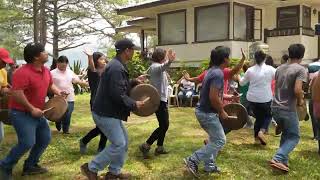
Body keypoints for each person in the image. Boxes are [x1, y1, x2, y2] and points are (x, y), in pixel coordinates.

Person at [80, 39, 147, 180]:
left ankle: (114, 172)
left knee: (123, 143)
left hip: (109, 112)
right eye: (133, 50)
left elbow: (119, 86)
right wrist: (134, 104)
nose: (134, 53)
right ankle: (91, 168)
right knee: (119, 143)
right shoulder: (116, 67)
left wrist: (134, 81)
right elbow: (117, 94)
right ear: (127, 51)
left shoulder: (117, 65)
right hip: (105, 113)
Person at [0, 43, 64, 179]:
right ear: (36, 57)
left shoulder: (45, 70)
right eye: (43, 52)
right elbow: (17, 93)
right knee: (27, 142)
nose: (46, 53)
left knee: (44, 139)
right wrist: (31, 108)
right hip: (21, 113)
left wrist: (58, 92)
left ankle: (30, 165)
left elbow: (50, 84)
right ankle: (5, 165)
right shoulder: (22, 73)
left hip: (38, 112)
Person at [183, 46, 230, 178]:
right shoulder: (218, 73)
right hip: (207, 114)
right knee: (220, 140)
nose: (230, 59)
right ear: (225, 59)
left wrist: (229, 97)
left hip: (203, 111)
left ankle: (209, 165)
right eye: (229, 57)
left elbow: (214, 94)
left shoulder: (211, 71)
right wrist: (221, 111)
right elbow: (213, 97)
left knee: (214, 139)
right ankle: (193, 159)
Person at [270, 44, 307, 172]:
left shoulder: (279, 68)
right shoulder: (301, 69)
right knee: (294, 136)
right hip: (287, 108)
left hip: (275, 107)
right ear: (302, 55)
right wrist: (301, 100)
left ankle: (282, 163)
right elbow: (297, 90)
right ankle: (277, 158)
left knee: (286, 134)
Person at [139, 48, 175, 158]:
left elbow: (160, 70)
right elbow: (162, 67)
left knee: (163, 125)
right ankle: (146, 144)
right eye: (164, 56)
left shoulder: (154, 67)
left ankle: (160, 147)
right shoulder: (156, 67)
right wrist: (169, 61)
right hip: (159, 100)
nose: (165, 57)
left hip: (160, 99)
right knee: (164, 125)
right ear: (160, 57)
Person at [239, 51, 275, 145]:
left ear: (255, 58)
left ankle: (256, 138)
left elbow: (242, 83)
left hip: (252, 98)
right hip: (265, 98)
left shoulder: (250, 70)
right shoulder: (270, 69)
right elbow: (278, 79)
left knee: (259, 117)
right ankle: (261, 131)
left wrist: (238, 77)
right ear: (265, 58)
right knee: (268, 115)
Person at [79, 50, 108, 154]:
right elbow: (91, 67)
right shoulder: (93, 73)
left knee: (105, 126)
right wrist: (90, 57)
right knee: (102, 127)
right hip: (96, 102)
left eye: (104, 58)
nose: (104, 60)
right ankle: (85, 141)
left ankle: (100, 148)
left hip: (107, 103)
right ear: (96, 61)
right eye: (101, 59)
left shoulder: (107, 71)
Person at [51, 55, 88, 134]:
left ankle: (66, 130)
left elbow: (76, 80)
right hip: (58, 98)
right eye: (62, 63)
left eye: (65, 63)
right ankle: (58, 122)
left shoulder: (70, 71)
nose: (64, 65)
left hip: (70, 97)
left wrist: (83, 83)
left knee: (68, 114)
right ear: (58, 63)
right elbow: (49, 84)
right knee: (59, 113)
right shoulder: (52, 73)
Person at [0, 48, 14, 150]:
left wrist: (11, 91)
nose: (5, 65)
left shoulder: (3, 72)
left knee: (0, 136)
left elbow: (3, 88)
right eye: (3, 62)